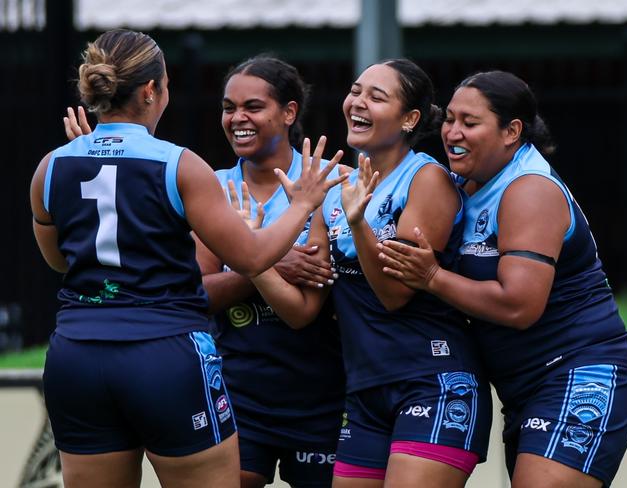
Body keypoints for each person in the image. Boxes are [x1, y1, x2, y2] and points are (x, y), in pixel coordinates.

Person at [29, 29, 345, 488]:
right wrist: (302, 204)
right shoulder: (179, 165)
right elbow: (252, 255)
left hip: (76, 357)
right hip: (164, 352)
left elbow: (60, 261)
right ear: (153, 89)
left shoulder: (51, 166)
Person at [377, 70, 627, 487]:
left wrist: (432, 277)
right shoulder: (460, 185)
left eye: (470, 121)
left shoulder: (529, 190)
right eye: (449, 119)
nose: (452, 131)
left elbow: (519, 305)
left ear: (511, 131)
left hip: (581, 373)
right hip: (523, 387)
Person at [248, 59, 492, 488]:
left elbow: (394, 294)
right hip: (365, 392)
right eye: (356, 91)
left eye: (376, 97)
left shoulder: (427, 178)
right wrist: (255, 259)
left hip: (432, 381)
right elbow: (302, 310)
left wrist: (359, 224)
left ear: (410, 119)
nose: (357, 103)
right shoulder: (335, 192)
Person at [197, 56, 347, 488]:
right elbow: (198, 293)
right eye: (229, 107)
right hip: (238, 388)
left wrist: (245, 260)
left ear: (289, 111)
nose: (238, 118)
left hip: (324, 392)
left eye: (253, 106)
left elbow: (307, 308)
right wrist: (267, 260)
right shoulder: (210, 187)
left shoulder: (333, 183)